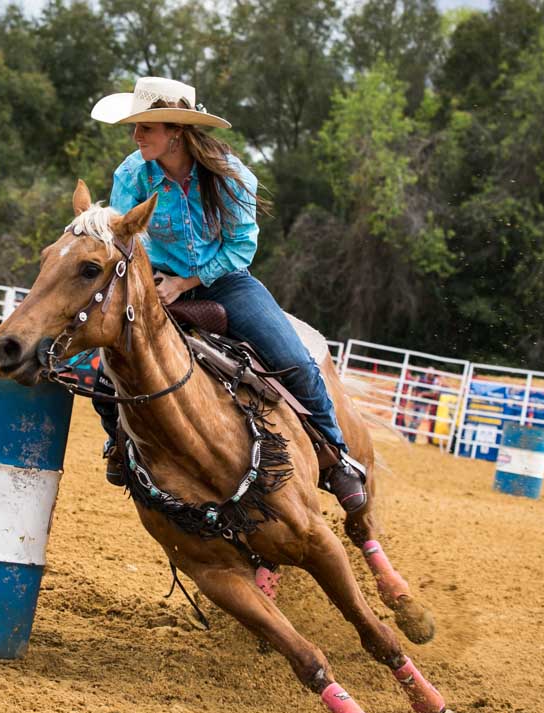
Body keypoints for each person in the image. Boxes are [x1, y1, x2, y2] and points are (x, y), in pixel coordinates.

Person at [88, 76, 368, 511]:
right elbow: (124, 236)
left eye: (146, 127)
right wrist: (148, 283)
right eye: (136, 126)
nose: (136, 135)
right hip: (154, 280)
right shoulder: (131, 174)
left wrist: (184, 284)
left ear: (176, 132)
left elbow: (241, 247)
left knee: (291, 358)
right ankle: (118, 446)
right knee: (107, 373)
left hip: (225, 282)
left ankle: (336, 456)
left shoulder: (231, 176)